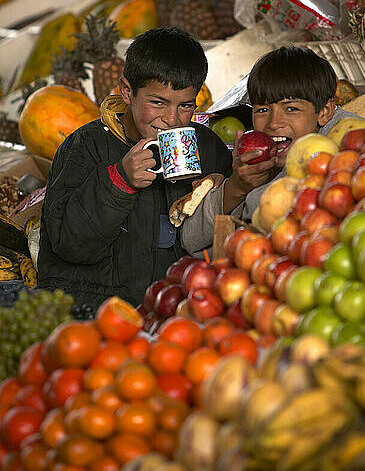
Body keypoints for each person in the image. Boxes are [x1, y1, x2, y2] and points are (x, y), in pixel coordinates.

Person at [37, 27, 232, 309]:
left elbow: (224, 243)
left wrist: (221, 191)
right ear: (127, 92)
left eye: (185, 106)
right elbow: (69, 244)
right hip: (94, 310)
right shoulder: (85, 146)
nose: (172, 120)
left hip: (172, 310)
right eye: (157, 103)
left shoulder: (207, 148)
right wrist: (119, 180)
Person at [180, 45, 365, 256]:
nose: (274, 123)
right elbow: (190, 240)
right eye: (262, 110)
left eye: (291, 109)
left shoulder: (344, 147)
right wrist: (236, 187)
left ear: (324, 112)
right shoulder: (257, 158)